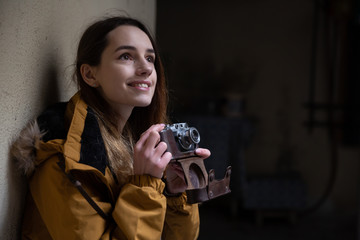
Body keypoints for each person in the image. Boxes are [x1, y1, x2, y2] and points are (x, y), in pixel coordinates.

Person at [11, 16, 210, 239]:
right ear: (90, 74)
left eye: (150, 58)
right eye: (126, 56)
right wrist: (144, 185)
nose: (146, 68)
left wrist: (174, 193)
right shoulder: (67, 159)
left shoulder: (136, 140)